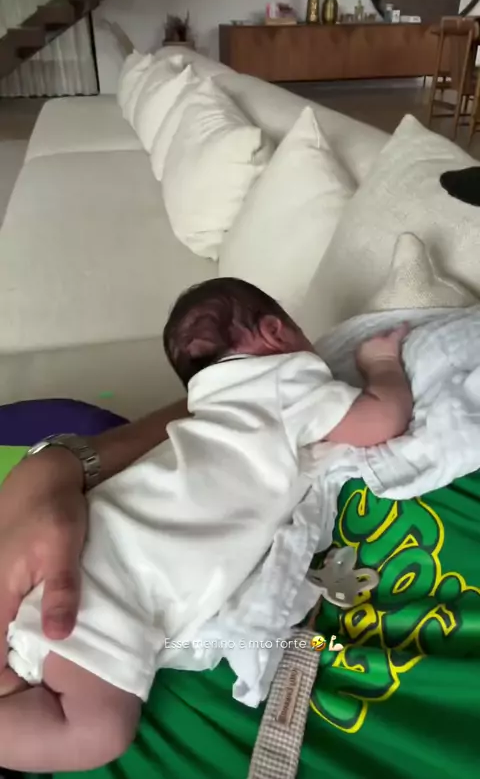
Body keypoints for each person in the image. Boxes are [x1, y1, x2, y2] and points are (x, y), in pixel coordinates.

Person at [0, 279, 412, 774]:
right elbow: (381, 420)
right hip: (111, 592)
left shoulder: (210, 406)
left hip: (92, 561)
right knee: (97, 731)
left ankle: (14, 689)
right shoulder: (286, 382)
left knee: (53, 690)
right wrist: (382, 365)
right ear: (274, 331)